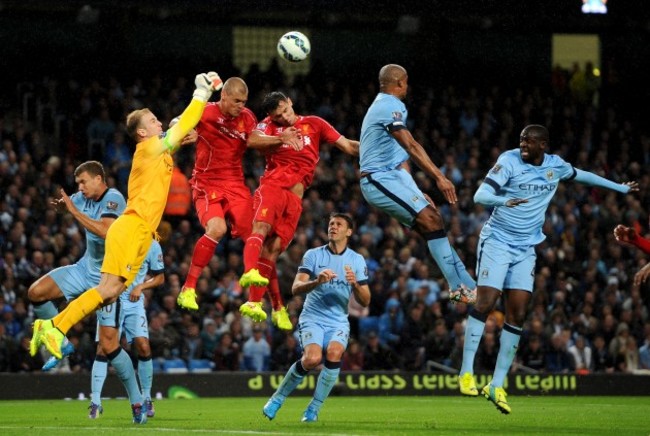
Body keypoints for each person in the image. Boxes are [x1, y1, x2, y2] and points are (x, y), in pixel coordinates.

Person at [29, 71, 224, 424]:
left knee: (109, 292)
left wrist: (182, 135)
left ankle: (55, 326)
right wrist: (202, 92)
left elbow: (177, 132)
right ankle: (55, 327)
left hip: (139, 236)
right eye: (153, 120)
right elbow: (180, 127)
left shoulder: (156, 149)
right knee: (107, 290)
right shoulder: (149, 146)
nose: (160, 121)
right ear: (142, 132)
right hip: (131, 228)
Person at [457, 124, 637, 414]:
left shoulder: (556, 166)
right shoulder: (508, 161)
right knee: (487, 302)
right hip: (498, 241)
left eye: (529, 141)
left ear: (543, 144)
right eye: (521, 140)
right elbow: (480, 196)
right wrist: (504, 200)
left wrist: (619, 187)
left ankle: (496, 384)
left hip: (526, 248)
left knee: (517, 314)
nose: (523, 144)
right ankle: (466, 372)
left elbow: (585, 177)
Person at [176, 78, 301, 323]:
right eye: (236, 101)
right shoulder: (205, 111)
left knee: (261, 245)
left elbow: (254, 140)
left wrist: (279, 140)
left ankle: (277, 307)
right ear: (223, 97)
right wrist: (181, 130)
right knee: (217, 228)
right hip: (206, 184)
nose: (240, 106)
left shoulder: (247, 117)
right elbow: (178, 122)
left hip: (236, 186)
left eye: (243, 102)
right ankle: (188, 289)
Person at [238, 92, 359, 331]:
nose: (283, 118)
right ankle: (251, 287)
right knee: (260, 230)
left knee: (272, 251)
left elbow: (349, 146)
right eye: (277, 116)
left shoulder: (314, 124)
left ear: (290, 102)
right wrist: (280, 137)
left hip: (295, 199)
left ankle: (258, 302)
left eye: (285, 111)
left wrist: (378, 150)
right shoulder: (269, 126)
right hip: (273, 186)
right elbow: (252, 141)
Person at [358, 64, 476, 304]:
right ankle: (459, 286)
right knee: (430, 220)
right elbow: (410, 146)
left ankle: (466, 284)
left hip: (394, 176)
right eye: (406, 82)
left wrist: (414, 190)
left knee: (432, 219)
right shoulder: (388, 106)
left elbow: (399, 157)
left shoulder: (386, 105)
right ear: (401, 82)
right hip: (377, 178)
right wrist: (439, 177)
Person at [262, 212, 370, 422]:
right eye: (331, 223)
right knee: (312, 359)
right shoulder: (313, 255)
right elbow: (295, 288)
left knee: (335, 352)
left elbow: (365, 301)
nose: (333, 227)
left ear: (349, 231)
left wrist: (355, 283)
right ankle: (278, 398)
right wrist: (316, 282)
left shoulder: (356, 260)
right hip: (313, 316)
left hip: (338, 319)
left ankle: (313, 408)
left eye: (339, 224)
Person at [26, 160, 126, 370]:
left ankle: (138, 397)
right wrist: (63, 209)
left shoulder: (114, 198)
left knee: (109, 346)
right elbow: (68, 207)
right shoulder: (81, 198)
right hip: (84, 269)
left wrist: (73, 211)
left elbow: (106, 231)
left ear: (98, 179)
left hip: (107, 279)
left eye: (83, 182)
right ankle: (61, 344)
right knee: (36, 292)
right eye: (77, 183)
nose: (80, 187)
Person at [89, 240, 165, 419]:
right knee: (103, 347)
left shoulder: (152, 244)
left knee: (143, 345)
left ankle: (146, 397)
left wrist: (141, 286)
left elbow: (160, 278)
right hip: (112, 298)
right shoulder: (117, 236)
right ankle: (95, 401)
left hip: (133, 302)